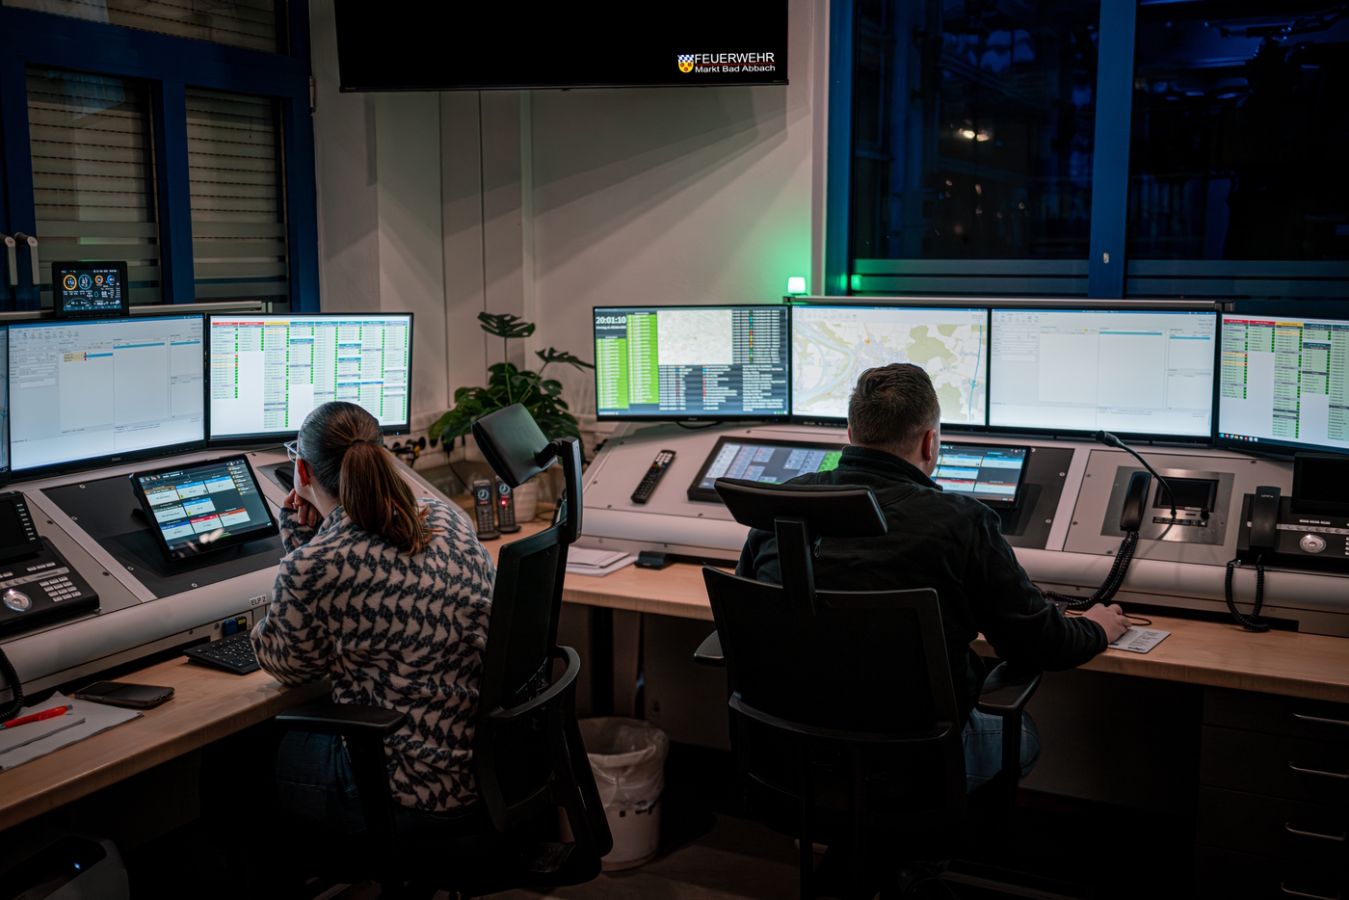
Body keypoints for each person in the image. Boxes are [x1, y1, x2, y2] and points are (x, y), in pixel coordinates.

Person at [737, 364, 1130, 790]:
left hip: (791, 747)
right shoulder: (961, 522)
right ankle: (920, 831)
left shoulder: (781, 504)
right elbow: (1040, 644)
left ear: (850, 433)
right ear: (930, 442)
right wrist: (1096, 628)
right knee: (1023, 735)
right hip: (916, 760)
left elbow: (747, 616)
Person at [251, 401, 496, 830]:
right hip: (481, 770)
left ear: (302, 472)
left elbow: (288, 665)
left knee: (236, 757)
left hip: (408, 787)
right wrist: (312, 546)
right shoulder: (447, 517)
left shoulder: (317, 565)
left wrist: (298, 542)